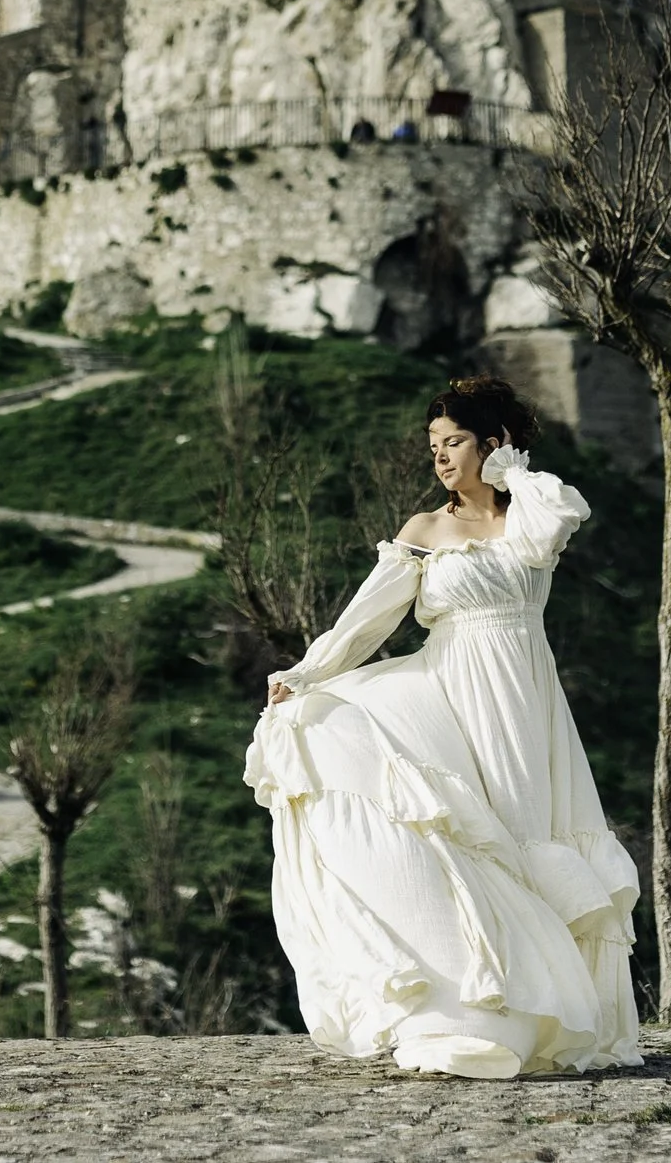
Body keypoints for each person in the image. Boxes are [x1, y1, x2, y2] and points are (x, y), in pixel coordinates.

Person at [243, 376, 641, 1078]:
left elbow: (551, 530)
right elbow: (368, 618)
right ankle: (464, 1014)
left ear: (492, 442)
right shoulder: (425, 530)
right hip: (447, 686)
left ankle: (540, 1024)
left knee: (524, 834)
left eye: (454, 441)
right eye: (434, 445)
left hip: (523, 694)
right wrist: (307, 672)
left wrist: (511, 470)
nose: (441, 457)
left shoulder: (530, 512)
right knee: (431, 811)